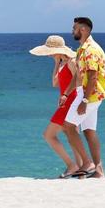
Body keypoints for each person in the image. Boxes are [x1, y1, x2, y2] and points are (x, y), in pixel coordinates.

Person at [62, 17, 105, 178]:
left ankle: (87, 163)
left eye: (74, 28)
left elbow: (93, 77)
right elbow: (78, 76)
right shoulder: (83, 48)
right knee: (89, 131)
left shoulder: (90, 50)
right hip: (89, 93)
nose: (72, 31)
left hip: (90, 95)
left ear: (83, 30)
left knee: (68, 126)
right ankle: (99, 171)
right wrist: (66, 93)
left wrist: (85, 101)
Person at [29, 35, 85, 178]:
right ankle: (81, 171)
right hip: (65, 103)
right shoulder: (61, 63)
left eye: (50, 52)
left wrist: (70, 98)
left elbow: (79, 81)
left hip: (70, 103)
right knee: (71, 136)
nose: (49, 55)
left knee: (49, 135)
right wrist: (56, 63)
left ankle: (72, 166)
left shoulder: (72, 62)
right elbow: (55, 83)